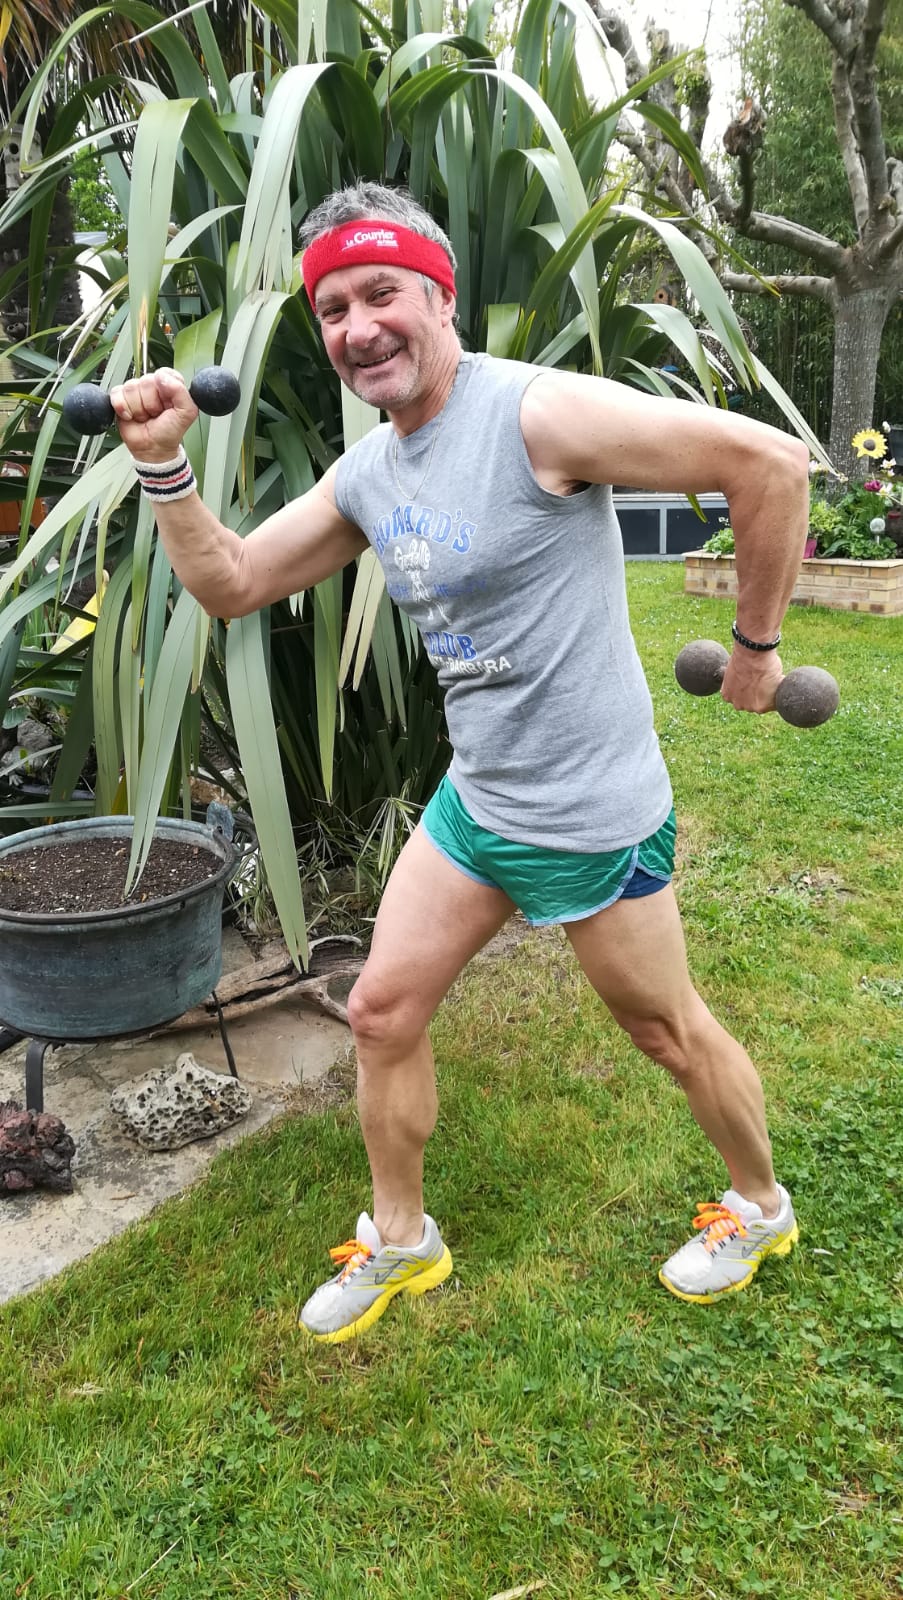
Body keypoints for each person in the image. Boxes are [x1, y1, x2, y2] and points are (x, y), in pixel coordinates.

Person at [110, 181, 809, 1342]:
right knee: (382, 1010)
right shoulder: (372, 472)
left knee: (664, 1028)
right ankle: (403, 1239)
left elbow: (771, 464)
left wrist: (756, 646)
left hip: (591, 810)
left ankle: (761, 1204)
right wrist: (161, 465)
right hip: (479, 802)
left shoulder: (538, 416)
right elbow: (232, 581)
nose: (357, 327)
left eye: (381, 293)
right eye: (334, 308)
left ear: (441, 298)